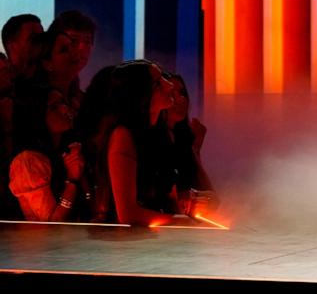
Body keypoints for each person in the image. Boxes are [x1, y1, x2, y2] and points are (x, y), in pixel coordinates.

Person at [79, 59, 186, 226]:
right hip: (124, 244)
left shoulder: (160, 133)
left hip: (152, 240)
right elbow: (127, 214)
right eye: (158, 83)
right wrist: (181, 224)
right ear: (140, 95)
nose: (169, 85)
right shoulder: (123, 136)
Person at [7, 88, 89, 221]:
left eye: (63, 102)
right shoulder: (28, 161)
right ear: (35, 116)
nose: (64, 109)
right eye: (54, 107)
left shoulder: (64, 151)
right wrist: (72, 180)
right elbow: (50, 226)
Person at [154, 73, 218, 217]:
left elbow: (213, 198)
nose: (180, 99)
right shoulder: (149, 138)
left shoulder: (182, 139)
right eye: (172, 93)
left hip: (177, 228)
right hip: (156, 227)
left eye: (182, 93)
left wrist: (195, 149)